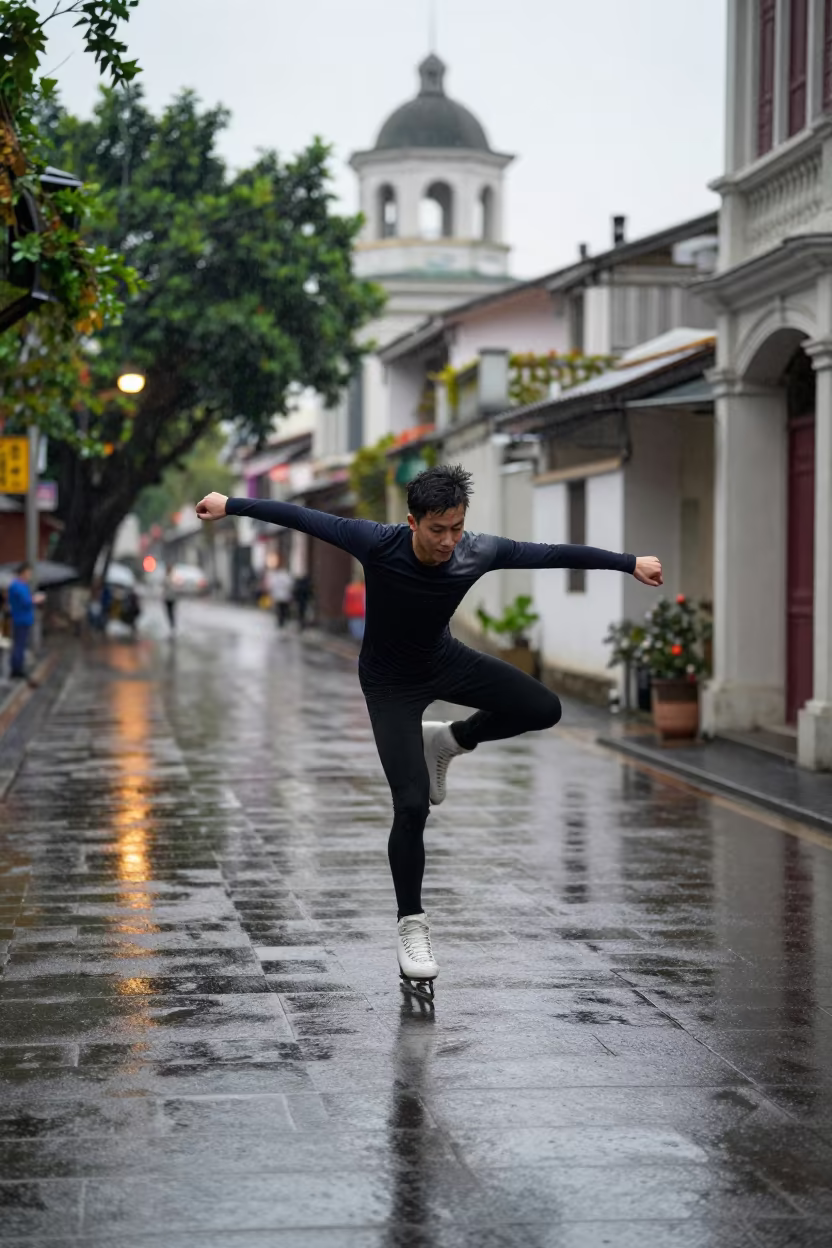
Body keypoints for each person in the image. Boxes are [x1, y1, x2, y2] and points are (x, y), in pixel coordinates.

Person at [196, 466, 663, 1001]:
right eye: (437, 530)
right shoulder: (375, 542)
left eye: (457, 528)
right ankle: (412, 927)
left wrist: (629, 564)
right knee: (412, 805)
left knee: (543, 707)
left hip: (444, 663)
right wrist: (231, 503)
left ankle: (452, 739)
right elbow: (303, 517)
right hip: (390, 685)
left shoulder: (477, 551)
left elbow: (551, 553)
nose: (448, 542)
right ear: (413, 521)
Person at [8, 562, 44, 683]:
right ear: (22, 573)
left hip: (23, 618)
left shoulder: (21, 585)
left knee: (21, 644)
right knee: (20, 644)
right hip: (21, 619)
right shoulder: (17, 586)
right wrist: (36, 599)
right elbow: (26, 602)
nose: (30, 575)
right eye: (28, 573)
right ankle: (17, 668)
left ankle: (17, 666)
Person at [266, 562, 294, 629]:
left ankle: (280, 621)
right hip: (284, 596)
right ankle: (282, 621)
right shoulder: (286, 576)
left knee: (279, 609)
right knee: (283, 609)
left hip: (278, 596)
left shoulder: (276, 576)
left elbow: (271, 585)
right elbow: (290, 585)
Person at [163, 565, 177, 632]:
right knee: (170, 612)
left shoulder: (172, 578)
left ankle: (172, 625)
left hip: (171, 598)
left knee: (171, 612)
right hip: (168, 598)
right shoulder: (167, 578)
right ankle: (172, 625)